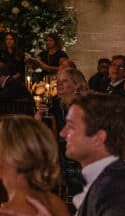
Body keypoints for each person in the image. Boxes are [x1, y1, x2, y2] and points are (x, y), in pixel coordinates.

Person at [36, 67, 88, 198]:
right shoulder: (54, 103)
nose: (59, 84)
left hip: (82, 152)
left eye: (64, 81)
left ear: (76, 84)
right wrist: (38, 116)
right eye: (58, 81)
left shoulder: (87, 104)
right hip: (60, 153)